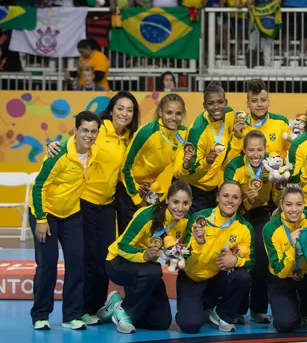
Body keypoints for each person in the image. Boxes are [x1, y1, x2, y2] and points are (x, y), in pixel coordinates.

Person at [45, 92, 141, 326]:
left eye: (129, 109)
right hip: (85, 202)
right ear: (111, 109)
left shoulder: (129, 138)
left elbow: (125, 172)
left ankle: (96, 306)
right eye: (120, 108)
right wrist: (53, 144)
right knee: (86, 259)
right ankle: (80, 310)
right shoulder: (99, 131)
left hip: (108, 206)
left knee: (103, 260)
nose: (124, 114)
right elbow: (75, 142)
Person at [30, 111, 101, 331]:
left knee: (77, 263)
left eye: (93, 131)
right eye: (85, 130)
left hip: (71, 214)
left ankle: (71, 315)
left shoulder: (94, 152)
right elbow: (38, 186)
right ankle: (40, 315)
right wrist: (41, 219)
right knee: (47, 265)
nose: (89, 136)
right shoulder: (59, 153)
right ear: (75, 131)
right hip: (46, 214)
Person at [99, 181, 193, 334]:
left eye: (185, 203)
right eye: (175, 201)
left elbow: (173, 248)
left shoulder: (186, 221)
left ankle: (116, 305)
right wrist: (144, 255)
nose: (180, 208)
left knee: (160, 323)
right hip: (117, 263)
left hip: (145, 269)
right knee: (154, 271)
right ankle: (125, 311)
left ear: (191, 203)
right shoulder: (147, 215)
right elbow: (123, 245)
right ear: (167, 199)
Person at [178, 181, 254, 333]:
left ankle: (222, 313)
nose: (230, 201)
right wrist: (199, 243)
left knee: (242, 276)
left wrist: (236, 260)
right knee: (190, 326)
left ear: (240, 201)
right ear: (217, 197)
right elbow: (185, 255)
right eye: (225, 195)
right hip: (194, 276)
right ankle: (200, 307)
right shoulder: (200, 218)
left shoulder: (245, 227)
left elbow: (252, 261)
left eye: (235, 197)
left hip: (219, 277)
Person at [118, 93, 188, 234]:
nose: (173, 118)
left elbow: (178, 167)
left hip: (151, 190)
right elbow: (125, 168)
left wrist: (187, 165)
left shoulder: (183, 132)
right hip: (129, 189)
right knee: (132, 236)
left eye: (178, 114)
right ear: (160, 112)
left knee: (152, 236)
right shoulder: (146, 133)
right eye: (169, 112)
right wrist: (137, 201)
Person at [224, 131, 275, 324]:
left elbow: (279, 193)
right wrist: (246, 200)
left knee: (261, 261)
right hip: (238, 215)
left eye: (260, 149)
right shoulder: (234, 166)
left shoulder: (272, 164)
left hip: (262, 213)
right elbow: (227, 198)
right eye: (251, 150)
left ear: (265, 149)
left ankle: (258, 309)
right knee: (240, 259)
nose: (256, 154)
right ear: (244, 150)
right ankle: (237, 310)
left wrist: (279, 186)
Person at [263, 184, 307, 331]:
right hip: (282, 279)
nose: (294, 209)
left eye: (299, 204)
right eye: (288, 204)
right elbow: (279, 270)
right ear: (281, 204)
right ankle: (296, 309)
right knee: (285, 324)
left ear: (304, 204)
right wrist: (291, 248)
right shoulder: (270, 229)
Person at [174, 84, 235, 214]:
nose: (217, 107)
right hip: (195, 190)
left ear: (226, 102)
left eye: (220, 102)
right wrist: (207, 162)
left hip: (214, 188)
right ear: (204, 106)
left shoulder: (230, 114)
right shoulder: (197, 131)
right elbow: (191, 173)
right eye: (211, 103)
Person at [229, 78, 291, 159]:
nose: (259, 104)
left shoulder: (281, 122)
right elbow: (232, 161)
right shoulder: (241, 126)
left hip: (276, 171)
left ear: (268, 102)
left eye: (263, 100)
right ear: (248, 104)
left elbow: (294, 150)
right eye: (254, 101)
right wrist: (237, 137)